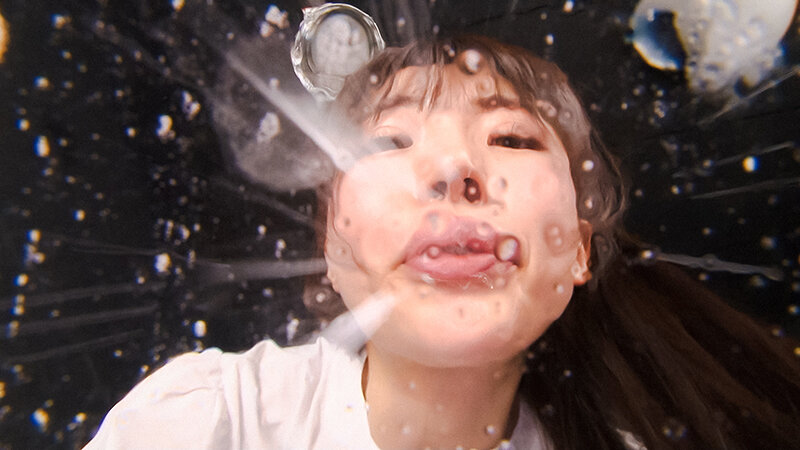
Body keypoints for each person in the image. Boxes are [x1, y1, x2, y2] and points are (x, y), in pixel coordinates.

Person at [86, 35, 800, 449]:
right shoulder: (207, 423)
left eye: (512, 138)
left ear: (579, 250)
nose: (456, 167)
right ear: (331, 243)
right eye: (390, 142)